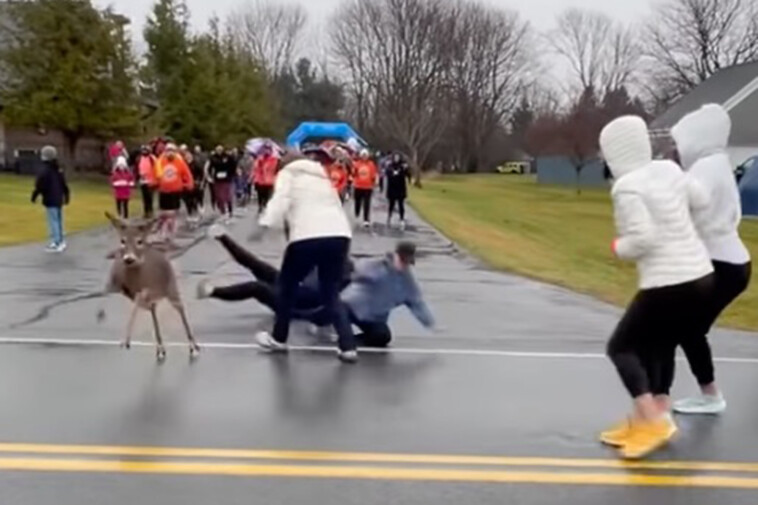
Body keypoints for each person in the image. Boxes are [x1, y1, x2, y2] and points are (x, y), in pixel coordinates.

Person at [599, 115, 714, 460]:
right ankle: (651, 415)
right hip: (700, 276)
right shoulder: (669, 170)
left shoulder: (627, 186)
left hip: (668, 281)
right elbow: (703, 200)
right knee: (660, 345)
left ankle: (652, 419)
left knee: (620, 347)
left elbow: (643, 239)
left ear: (614, 152)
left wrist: (619, 247)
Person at [199, 229, 432, 349]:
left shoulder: (347, 270)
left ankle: (213, 291)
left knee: (257, 287)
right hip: (294, 285)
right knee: (258, 267)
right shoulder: (323, 256)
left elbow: (367, 293)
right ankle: (223, 238)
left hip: (296, 301)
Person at [670, 104, 752, 415]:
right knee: (686, 327)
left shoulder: (706, 168)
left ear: (697, 138)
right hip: (728, 263)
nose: (678, 148)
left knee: (685, 327)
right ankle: (708, 394)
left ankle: (708, 396)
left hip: (723, 266)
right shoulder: (717, 164)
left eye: (681, 141)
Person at [253, 150, 357, 363]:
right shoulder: (322, 178)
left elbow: (280, 202)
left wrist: (264, 225)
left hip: (307, 235)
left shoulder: (288, 175)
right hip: (339, 234)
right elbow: (337, 205)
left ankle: (279, 338)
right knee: (330, 291)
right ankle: (348, 346)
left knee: (286, 286)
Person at [31, 146, 70, 253]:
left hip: (50, 198)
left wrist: (35, 195)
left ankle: (57, 242)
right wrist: (66, 195)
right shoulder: (58, 169)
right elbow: (63, 184)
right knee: (58, 220)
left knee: (53, 221)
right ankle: (60, 240)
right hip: (58, 197)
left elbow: (40, 184)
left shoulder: (45, 170)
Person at [155, 143, 194, 243]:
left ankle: (170, 233)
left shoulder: (179, 162)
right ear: (165, 151)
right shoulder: (160, 161)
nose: (170, 153)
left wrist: (189, 183)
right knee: (163, 213)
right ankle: (162, 231)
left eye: (172, 151)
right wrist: (154, 183)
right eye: (168, 151)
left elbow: (187, 174)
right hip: (163, 191)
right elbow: (156, 174)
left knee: (172, 213)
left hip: (175, 191)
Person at [208, 145, 235, 221]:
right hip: (217, 179)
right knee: (219, 197)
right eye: (217, 150)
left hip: (227, 179)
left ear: (223, 150)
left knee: (228, 196)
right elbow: (210, 167)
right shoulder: (213, 157)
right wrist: (210, 177)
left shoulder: (228, 157)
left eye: (220, 150)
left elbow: (233, 166)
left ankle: (230, 211)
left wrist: (231, 174)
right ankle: (222, 212)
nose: (219, 151)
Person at [353, 149, 378, 227]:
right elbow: (354, 173)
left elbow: (374, 174)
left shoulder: (371, 164)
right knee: (357, 201)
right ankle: (357, 211)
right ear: (361, 156)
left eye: (365, 155)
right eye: (363, 155)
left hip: (368, 187)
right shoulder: (357, 164)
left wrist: (375, 181)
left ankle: (366, 219)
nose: (364, 157)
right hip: (358, 186)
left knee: (367, 203)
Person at [386, 153, 411, 230]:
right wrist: (392, 173)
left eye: (398, 157)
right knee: (391, 204)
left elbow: (408, 175)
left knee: (401, 204)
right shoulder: (390, 166)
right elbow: (387, 174)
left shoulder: (403, 166)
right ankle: (389, 217)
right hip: (392, 187)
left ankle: (402, 219)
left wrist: (406, 169)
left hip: (400, 188)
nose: (396, 159)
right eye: (395, 157)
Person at [252, 148, 278, 214]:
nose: (266, 151)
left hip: (269, 181)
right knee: (260, 194)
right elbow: (255, 169)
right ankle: (260, 206)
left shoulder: (274, 160)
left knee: (267, 195)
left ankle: (266, 206)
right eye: (265, 150)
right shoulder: (259, 159)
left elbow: (275, 169)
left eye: (268, 150)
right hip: (260, 180)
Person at [136, 146, 158, 218]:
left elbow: (157, 168)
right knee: (144, 197)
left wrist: (156, 180)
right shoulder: (139, 158)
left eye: (146, 150)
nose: (144, 152)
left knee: (150, 197)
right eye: (143, 150)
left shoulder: (152, 158)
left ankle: (150, 211)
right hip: (142, 180)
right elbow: (137, 168)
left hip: (151, 180)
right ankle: (146, 212)